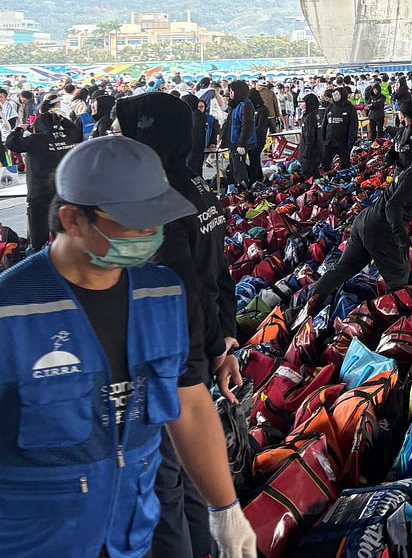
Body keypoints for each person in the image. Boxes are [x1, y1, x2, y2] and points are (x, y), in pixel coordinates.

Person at [0, 136, 255, 558]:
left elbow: (189, 404)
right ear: (73, 219)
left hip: (133, 535)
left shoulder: (162, 294)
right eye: (135, 220)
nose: (150, 233)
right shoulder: (12, 312)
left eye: (157, 219)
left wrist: (225, 509)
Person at [116, 91, 243, 558]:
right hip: (197, 350)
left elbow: (181, 290)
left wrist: (211, 349)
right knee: (187, 477)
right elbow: (219, 273)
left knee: (162, 484)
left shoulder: (157, 201)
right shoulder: (197, 188)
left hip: (170, 359)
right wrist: (224, 341)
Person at [307, 134, 412, 307]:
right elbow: (393, 206)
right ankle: (392, 321)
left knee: (343, 269)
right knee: (399, 276)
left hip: (366, 221)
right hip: (381, 229)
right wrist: (401, 237)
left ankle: (309, 300)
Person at [5, 94, 83, 252]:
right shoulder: (66, 136)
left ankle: (39, 253)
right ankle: (63, 250)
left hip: (39, 191)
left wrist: (20, 128)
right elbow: (75, 130)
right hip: (61, 189)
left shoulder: (36, 140)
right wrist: (61, 120)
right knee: (60, 223)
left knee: (39, 228)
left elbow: (11, 142)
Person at [222, 80, 258, 188]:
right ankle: (236, 193)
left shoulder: (246, 105)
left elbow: (247, 126)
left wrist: (241, 143)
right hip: (233, 142)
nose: (230, 94)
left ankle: (244, 193)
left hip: (240, 143)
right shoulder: (236, 105)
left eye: (232, 91)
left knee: (239, 171)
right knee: (234, 169)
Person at [321, 86, 359, 172]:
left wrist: (351, 141)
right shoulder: (330, 107)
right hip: (329, 141)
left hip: (343, 142)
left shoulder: (350, 108)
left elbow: (353, 125)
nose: (335, 96)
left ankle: (346, 180)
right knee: (325, 163)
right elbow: (324, 124)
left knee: (345, 164)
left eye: (337, 94)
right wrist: (322, 139)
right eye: (334, 94)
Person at [179, 93, 216, 180]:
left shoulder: (195, 115)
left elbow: (195, 133)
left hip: (193, 149)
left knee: (193, 172)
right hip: (196, 149)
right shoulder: (195, 114)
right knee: (196, 172)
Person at [296, 92, 323, 179]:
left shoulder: (310, 117)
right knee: (314, 174)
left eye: (304, 102)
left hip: (310, 155)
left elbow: (310, 136)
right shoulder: (313, 115)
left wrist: (306, 153)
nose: (302, 104)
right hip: (314, 152)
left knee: (308, 175)